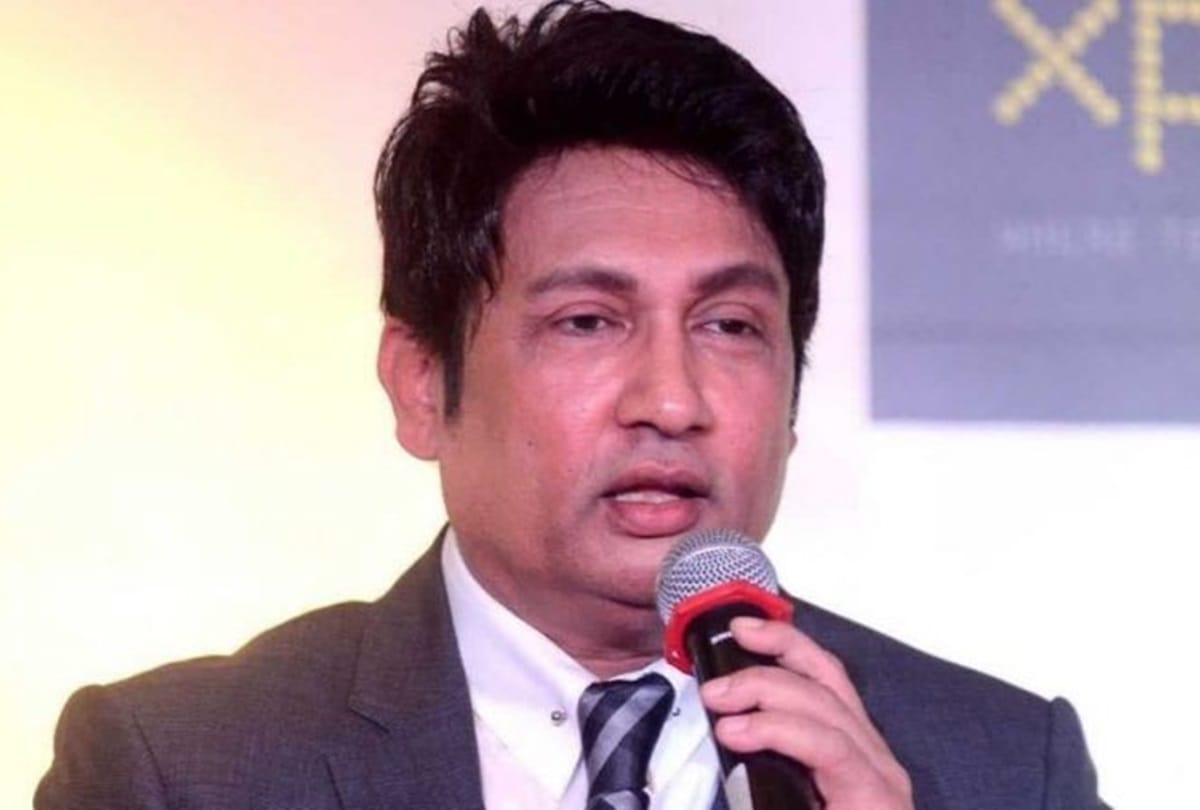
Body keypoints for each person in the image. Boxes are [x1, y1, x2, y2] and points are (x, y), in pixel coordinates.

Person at [36, 2, 1108, 808]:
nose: (672, 401)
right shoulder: (184, 767)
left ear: (793, 393)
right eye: (589, 321)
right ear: (422, 384)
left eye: (731, 326)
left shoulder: (1007, 769)